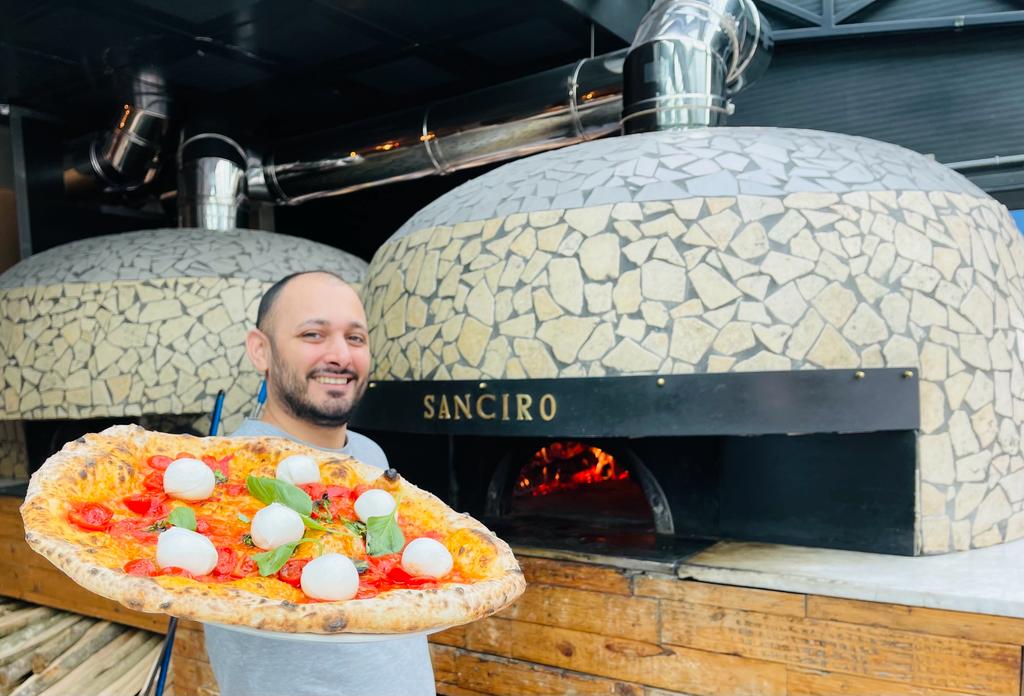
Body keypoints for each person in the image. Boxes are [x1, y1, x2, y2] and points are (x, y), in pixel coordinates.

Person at [203, 270, 435, 696]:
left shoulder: (370, 457)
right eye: (313, 334)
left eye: (356, 338)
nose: (340, 356)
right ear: (261, 350)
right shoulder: (225, 478)